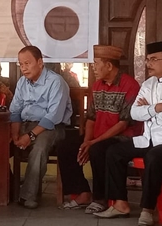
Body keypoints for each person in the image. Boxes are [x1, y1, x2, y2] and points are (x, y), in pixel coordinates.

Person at [93, 41, 162, 226]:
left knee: (154, 157)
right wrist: (157, 108)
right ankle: (120, 203)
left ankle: (147, 209)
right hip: (148, 137)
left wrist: (147, 110)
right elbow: (134, 113)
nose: (148, 64)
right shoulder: (148, 84)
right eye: (147, 59)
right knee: (114, 152)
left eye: (154, 60)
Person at [56, 45, 141, 209]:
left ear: (109, 66)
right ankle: (83, 193)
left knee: (98, 149)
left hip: (123, 137)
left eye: (96, 63)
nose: (93, 68)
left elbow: (123, 123)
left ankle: (100, 199)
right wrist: (86, 142)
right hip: (98, 136)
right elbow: (92, 118)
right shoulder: (97, 86)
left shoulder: (130, 85)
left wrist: (93, 143)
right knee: (66, 147)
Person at [10, 46, 73, 209]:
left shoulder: (55, 82)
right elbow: (15, 111)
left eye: (27, 63)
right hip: (26, 124)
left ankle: (28, 196)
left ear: (40, 62)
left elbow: (53, 117)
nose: (23, 68)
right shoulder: (22, 82)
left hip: (51, 127)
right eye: (21, 64)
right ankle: (8, 190)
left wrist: (29, 136)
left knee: (39, 148)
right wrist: (15, 135)